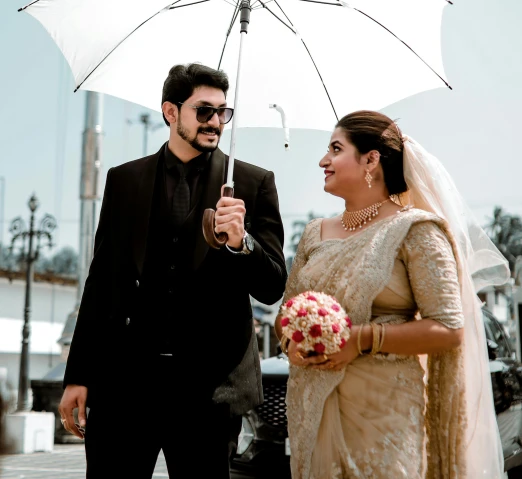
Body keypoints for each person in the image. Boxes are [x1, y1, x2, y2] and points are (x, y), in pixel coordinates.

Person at [59, 63, 286, 479]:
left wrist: (241, 243)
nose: (215, 122)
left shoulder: (253, 183)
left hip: (209, 391)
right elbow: (102, 283)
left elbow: (273, 287)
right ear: (170, 112)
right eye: (203, 111)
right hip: (125, 385)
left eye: (223, 112)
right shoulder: (124, 180)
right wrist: (79, 375)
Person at [276, 110, 508, 479]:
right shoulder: (315, 233)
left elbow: (449, 329)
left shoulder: (416, 231)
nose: (323, 160)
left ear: (371, 159)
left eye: (335, 149)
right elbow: (286, 314)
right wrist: (295, 340)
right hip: (312, 409)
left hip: (383, 415)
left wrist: (361, 339)